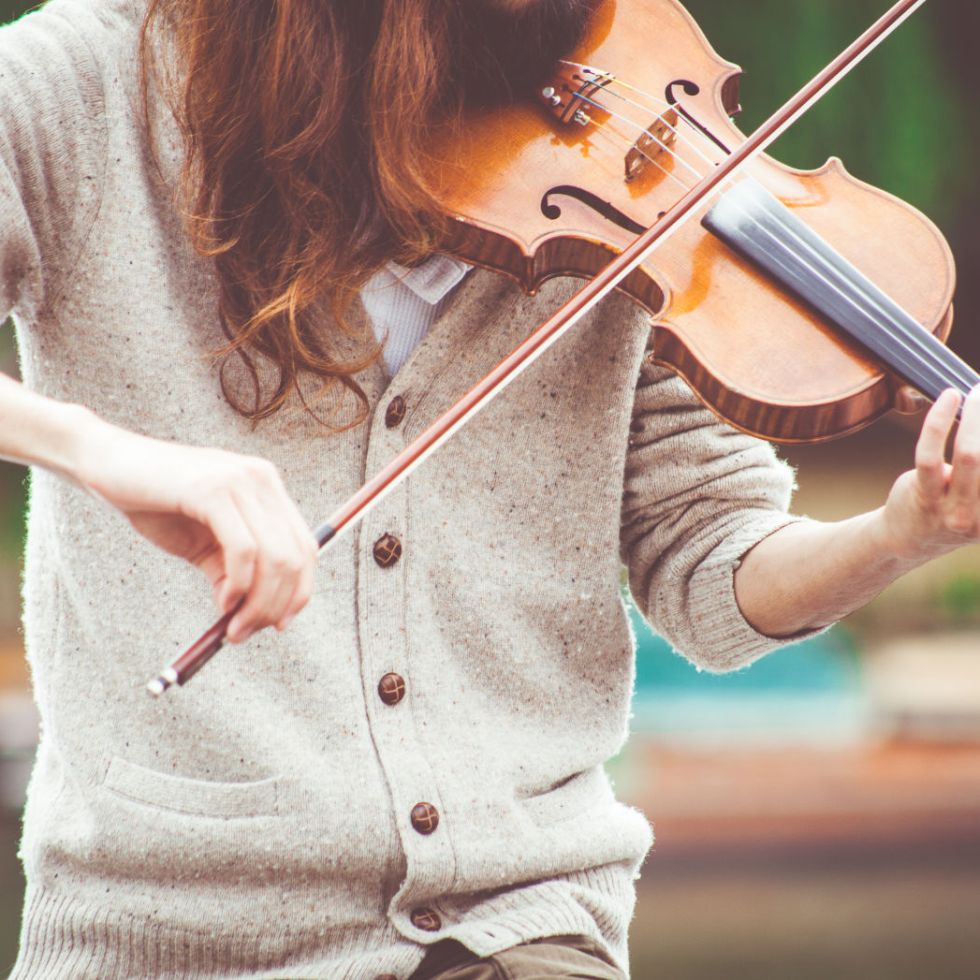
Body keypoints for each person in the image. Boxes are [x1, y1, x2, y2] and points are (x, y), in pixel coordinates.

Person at [1, 0, 976, 977]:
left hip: (522, 927)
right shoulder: (81, 87)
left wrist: (902, 530)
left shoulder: (617, 163)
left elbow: (707, 559)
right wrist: (94, 447)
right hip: (164, 930)